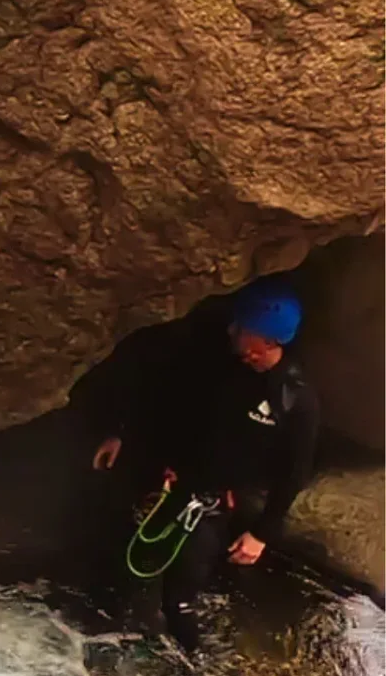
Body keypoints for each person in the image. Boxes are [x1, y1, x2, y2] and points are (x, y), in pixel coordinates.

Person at [83, 276, 320, 650]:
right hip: (167, 475)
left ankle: (182, 666)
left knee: (181, 599)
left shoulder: (293, 400)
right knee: (121, 562)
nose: (232, 331)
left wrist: (262, 532)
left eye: (242, 329)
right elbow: (158, 392)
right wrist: (121, 434)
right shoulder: (215, 362)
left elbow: (296, 470)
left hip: (210, 501)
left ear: (268, 340)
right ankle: (107, 632)